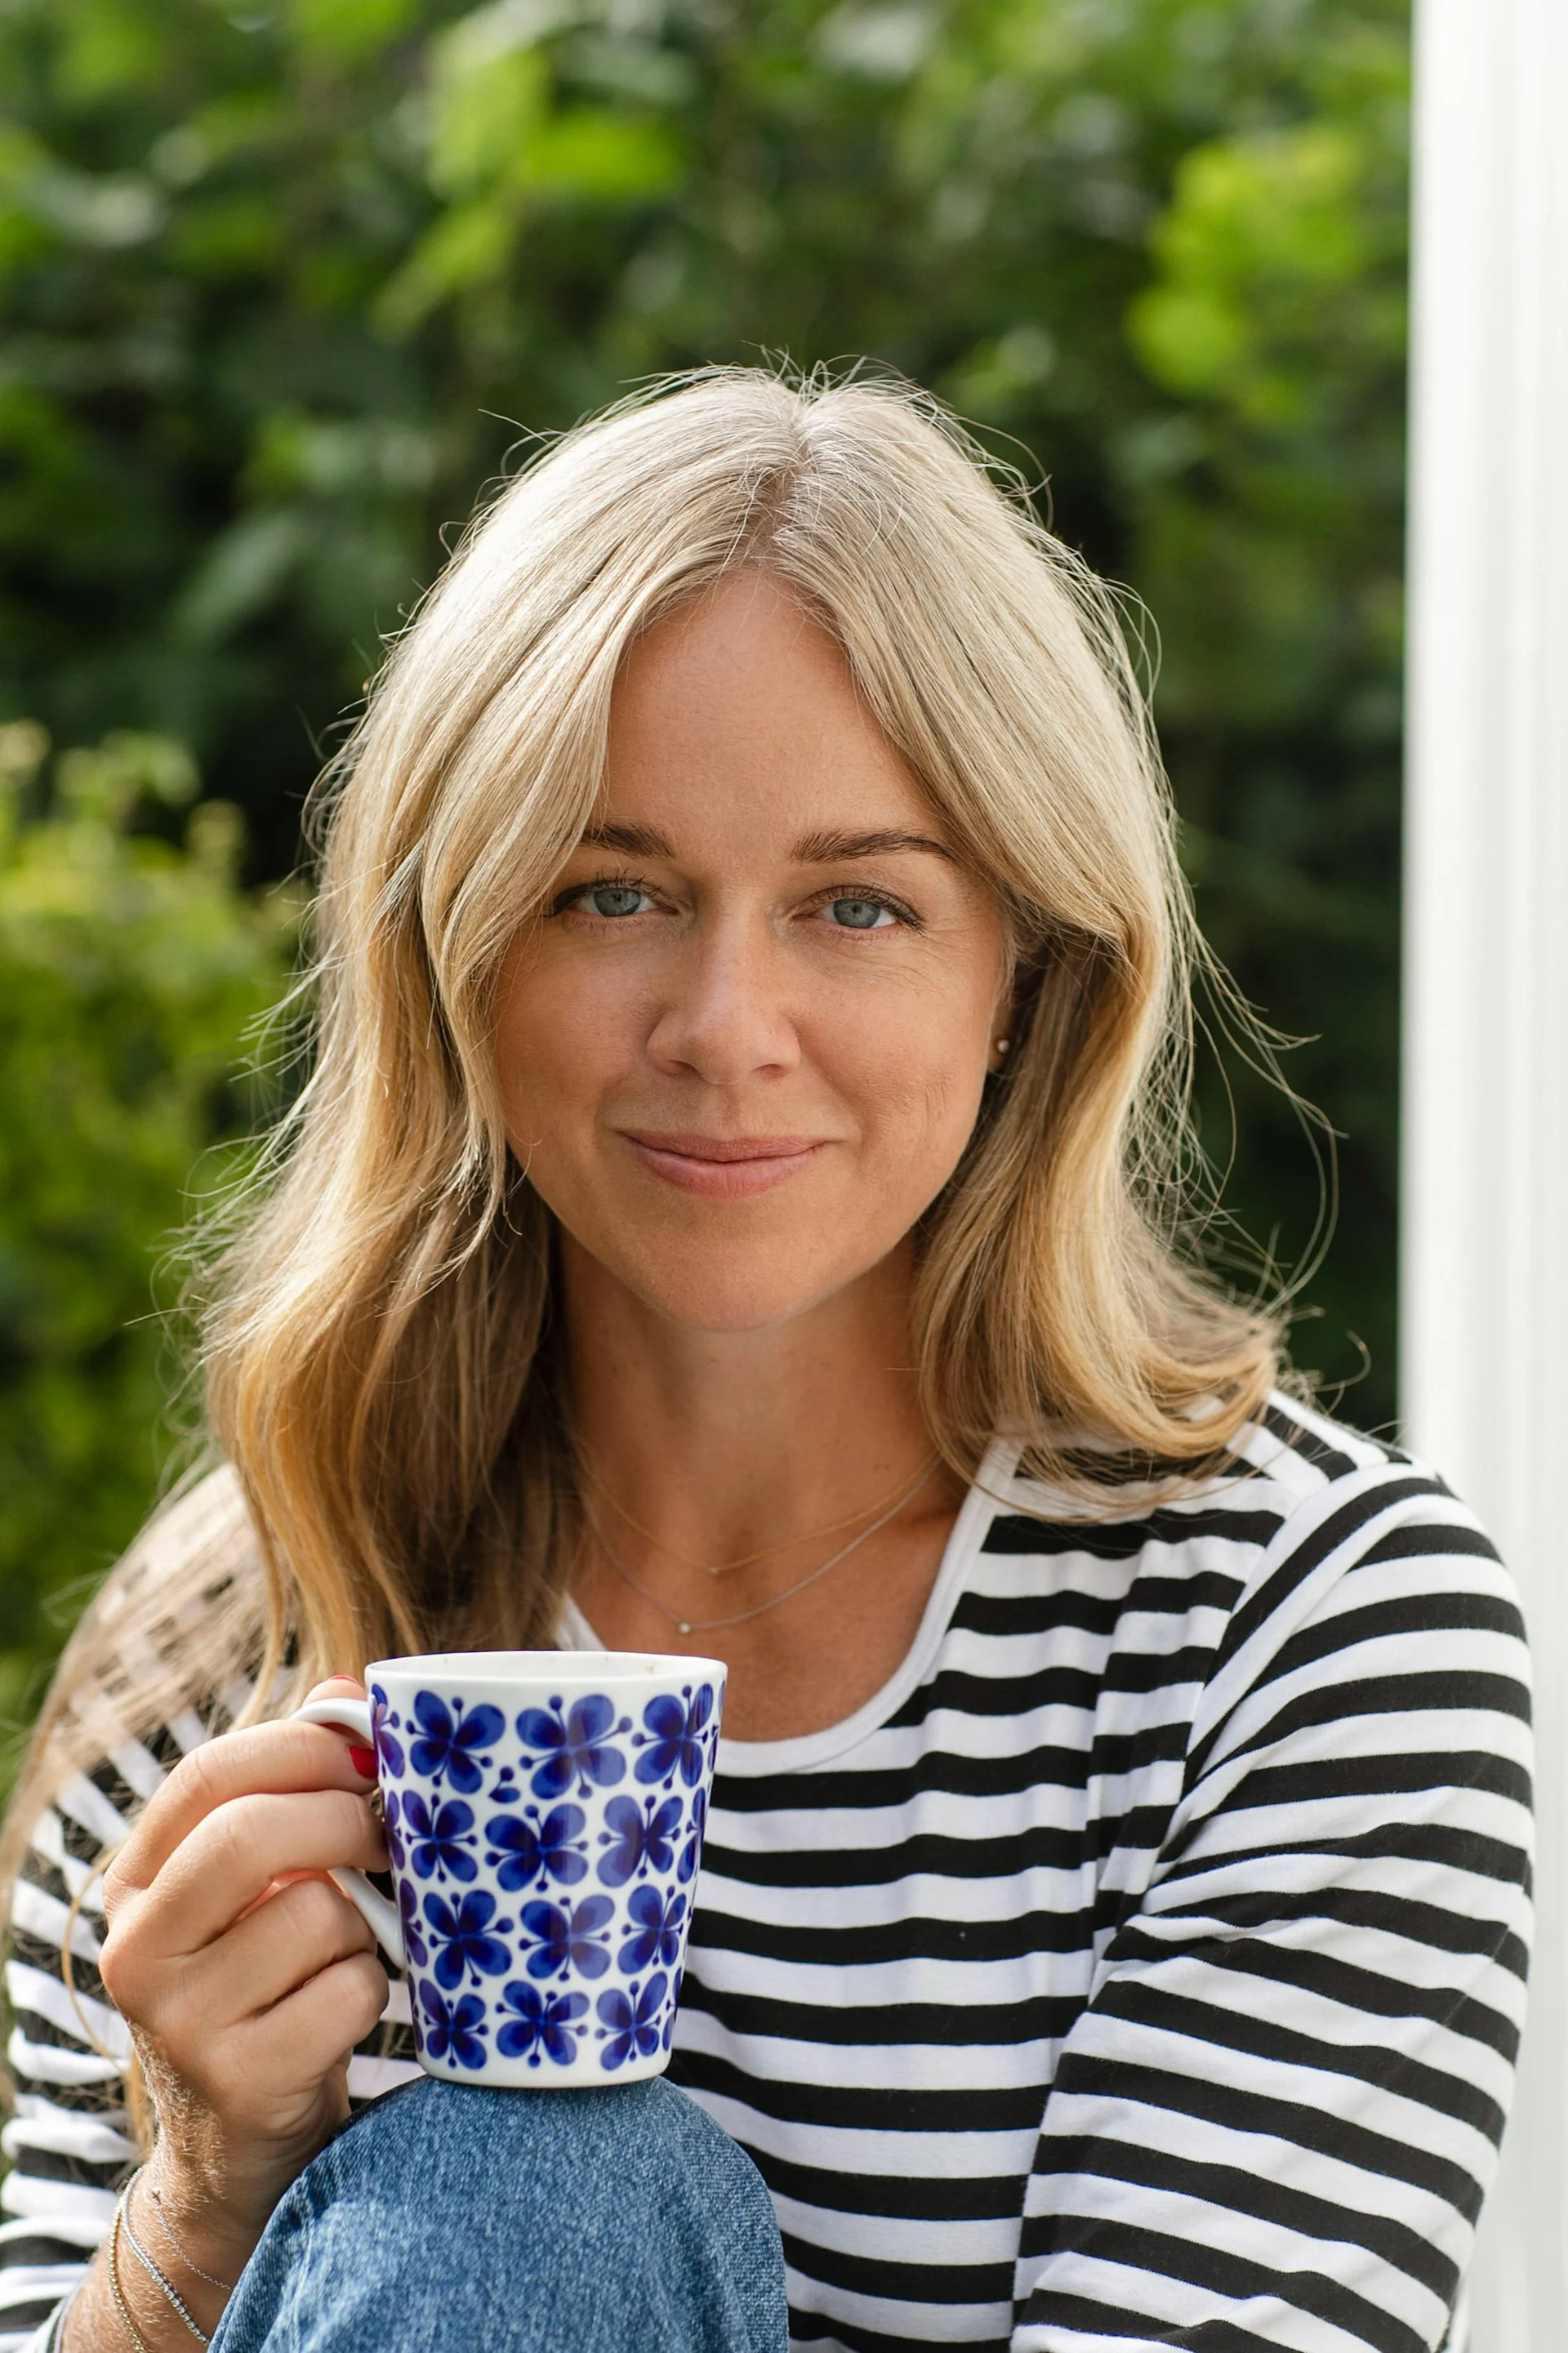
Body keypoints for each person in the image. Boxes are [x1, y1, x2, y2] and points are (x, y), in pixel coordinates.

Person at [0, 369, 1530, 2353]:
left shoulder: (1296, 1637)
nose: (726, 1026)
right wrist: (207, 2209)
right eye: (612, 892)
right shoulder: (251, 1619)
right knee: (517, 2193)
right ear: (457, 959)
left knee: (535, 2188)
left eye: (857, 904)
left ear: (1029, 973)